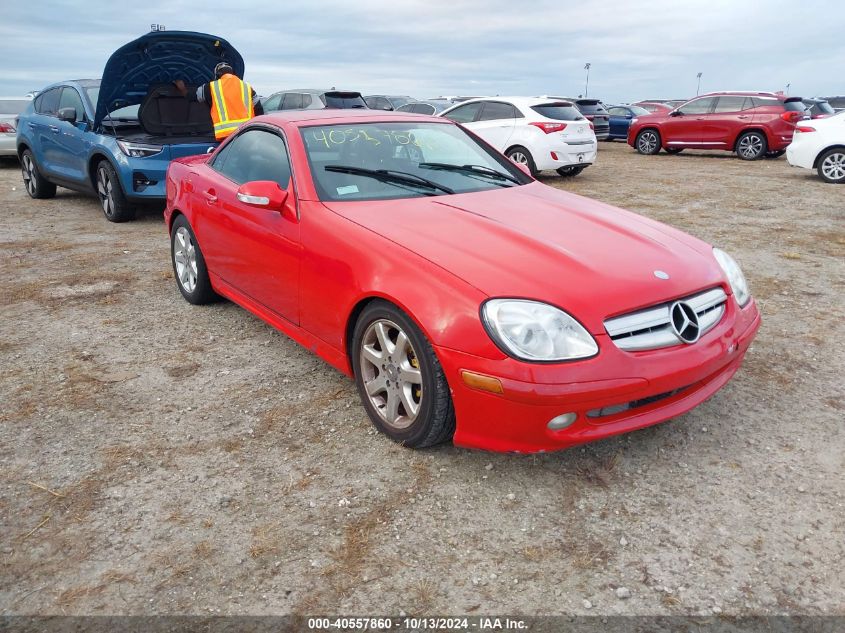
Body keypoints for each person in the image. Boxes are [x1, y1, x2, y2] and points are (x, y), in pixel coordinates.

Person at [174, 62, 263, 141]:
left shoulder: (212, 87)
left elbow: (192, 96)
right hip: (246, 134)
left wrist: (182, 88)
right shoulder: (247, 87)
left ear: (217, 75)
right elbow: (259, 110)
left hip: (225, 136)